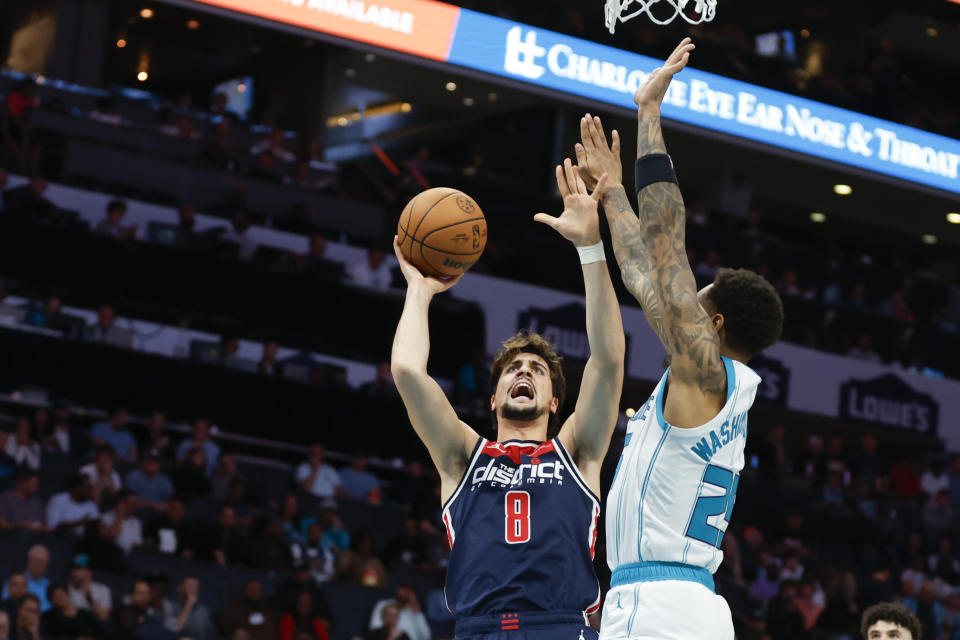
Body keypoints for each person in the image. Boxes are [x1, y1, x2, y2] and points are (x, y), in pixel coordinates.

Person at [575, 41, 784, 640]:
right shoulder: (710, 385)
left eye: (698, 298)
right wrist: (611, 194)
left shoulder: (707, 376)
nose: (684, 301)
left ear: (712, 324)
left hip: (659, 605)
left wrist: (649, 113)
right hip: (680, 601)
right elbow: (644, 274)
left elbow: (665, 238)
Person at [390, 146, 624, 637]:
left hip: (560, 626)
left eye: (537, 369)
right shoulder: (461, 456)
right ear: (493, 397)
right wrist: (419, 289)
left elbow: (607, 359)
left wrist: (590, 248)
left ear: (555, 403)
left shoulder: (577, 453)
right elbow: (408, 371)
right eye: (513, 368)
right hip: (478, 629)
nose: (525, 372)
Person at [67, 556, 112, 623]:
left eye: (78, 569)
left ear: (89, 571)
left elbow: (104, 617)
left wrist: (90, 599)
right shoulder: (66, 589)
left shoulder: (102, 589)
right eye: (73, 569)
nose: (74, 573)